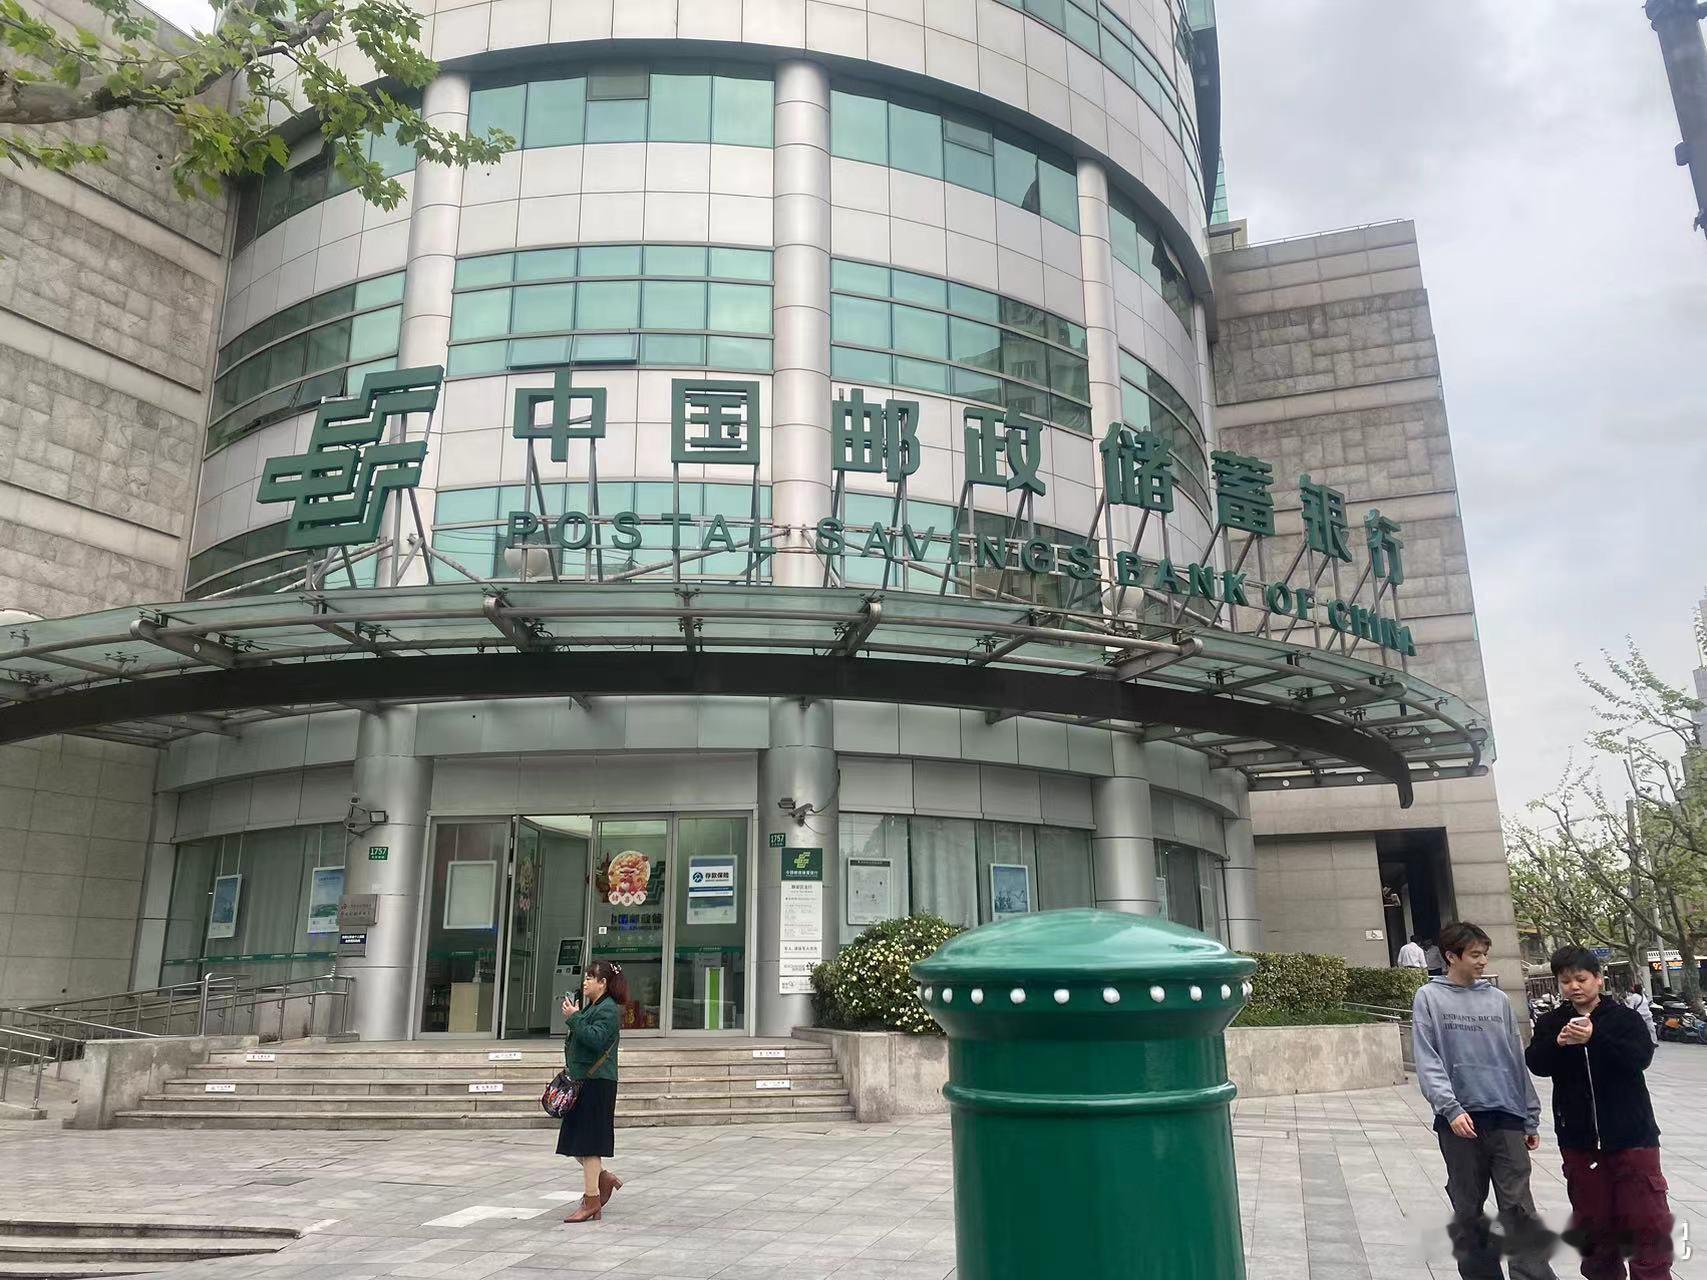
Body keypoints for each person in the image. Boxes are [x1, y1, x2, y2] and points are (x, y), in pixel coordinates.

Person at [1412, 922, 1557, 1280]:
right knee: (1468, 1211)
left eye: (1484, 954)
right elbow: (1428, 1059)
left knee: (1519, 1208)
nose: (1482, 961)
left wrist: (1529, 1115)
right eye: (1475, 954)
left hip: (1506, 1118)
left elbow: (1514, 1058)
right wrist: (1450, 1108)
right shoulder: (1429, 998)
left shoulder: (1498, 1000)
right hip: (1459, 1122)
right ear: (1451, 956)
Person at [1527, 947, 1674, 1279]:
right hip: (1579, 1142)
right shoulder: (1552, 1022)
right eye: (1566, 981)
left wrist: (1596, 1037)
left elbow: (1640, 1057)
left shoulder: (1623, 1018)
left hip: (1632, 1139)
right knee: (1594, 1228)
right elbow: (1536, 1063)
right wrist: (1557, 1044)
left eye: (1581, 979)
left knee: (1646, 1224)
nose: (1574, 986)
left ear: (1598, 979)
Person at [557, 959, 626, 1224]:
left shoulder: (608, 1009)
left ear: (603, 983)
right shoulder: (593, 1007)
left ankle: (592, 1200)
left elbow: (596, 1039)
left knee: (589, 1145)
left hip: (597, 1084)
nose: (584, 982)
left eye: (590, 977)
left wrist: (574, 1018)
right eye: (585, 977)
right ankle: (604, 1178)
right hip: (583, 1082)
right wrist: (576, 1016)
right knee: (576, 1143)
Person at [1624, 982, 1660, 1047]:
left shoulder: (1643, 995)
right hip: (1640, 1015)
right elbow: (1631, 1007)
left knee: (1651, 1028)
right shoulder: (1634, 996)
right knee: (1641, 1029)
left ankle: (1653, 1042)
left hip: (1647, 1014)